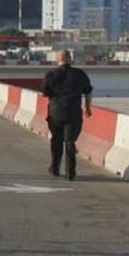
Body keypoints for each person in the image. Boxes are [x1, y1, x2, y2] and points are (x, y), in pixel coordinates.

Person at [42, 50, 93, 180]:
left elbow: (45, 93)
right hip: (73, 113)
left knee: (56, 140)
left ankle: (54, 168)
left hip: (55, 114)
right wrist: (87, 108)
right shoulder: (79, 74)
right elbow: (88, 91)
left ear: (58, 59)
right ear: (70, 59)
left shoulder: (51, 74)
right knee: (70, 142)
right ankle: (70, 172)